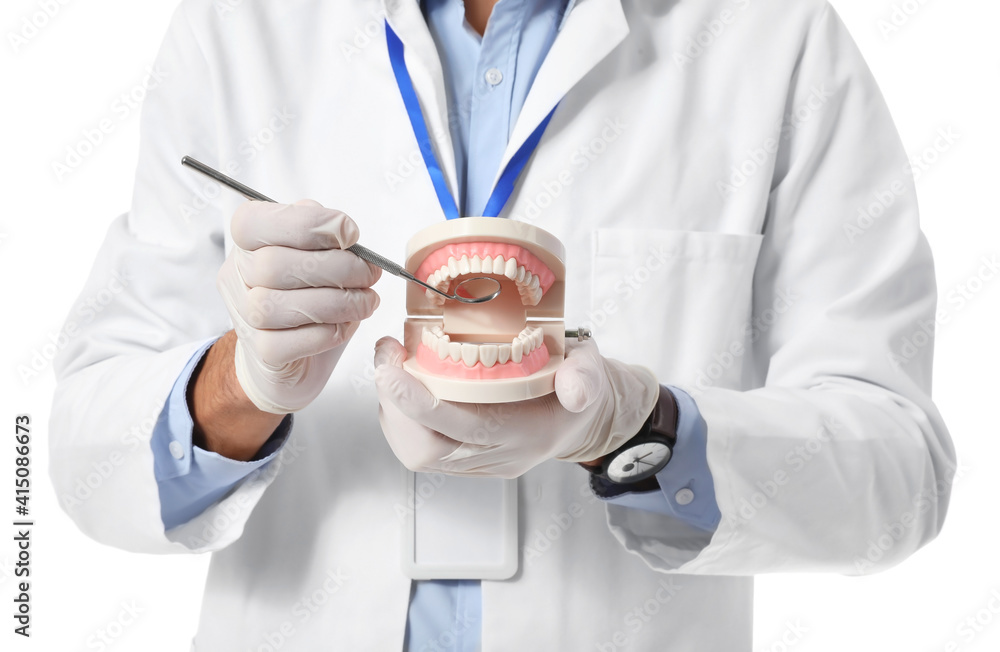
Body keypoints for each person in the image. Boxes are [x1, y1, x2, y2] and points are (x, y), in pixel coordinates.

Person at [50, 0, 956, 649]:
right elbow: (85, 457)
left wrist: (640, 431)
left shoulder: (773, 34)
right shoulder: (242, 26)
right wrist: (241, 384)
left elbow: (899, 472)